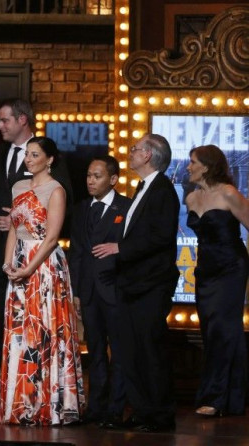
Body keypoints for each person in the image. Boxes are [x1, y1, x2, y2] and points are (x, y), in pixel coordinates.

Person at [0, 99, 73, 416]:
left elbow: (57, 209)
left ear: (22, 120)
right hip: (0, 257)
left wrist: (19, 223)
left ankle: (39, 399)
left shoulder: (52, 159)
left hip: (36, 260)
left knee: (37, 328)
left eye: (4, 120)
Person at [0, 136, 84, 426]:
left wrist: (28, 268)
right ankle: (19, 404)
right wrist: (8, 264)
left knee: (44, 330)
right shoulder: (18, 187)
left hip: (44, 267)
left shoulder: (56, 190)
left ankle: (48, 405)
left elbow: (52, 238)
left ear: (50, 159)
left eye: (34, 155)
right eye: (27, 155)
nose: (28, 159)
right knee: (20, 332)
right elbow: (13, 230)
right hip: (19, 264)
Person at [93, 133, 179, 433]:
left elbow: (161, 236)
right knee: (131, 351)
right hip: (133, 283)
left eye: (135, 149)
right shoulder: (144, 187)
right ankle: (143, 411)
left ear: (149, 156)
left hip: (151, 284)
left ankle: (160, 414)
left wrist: (121, 249)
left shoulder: (163, 190)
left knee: (149, 349)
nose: (130, 153)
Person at [184, 144, 249, 417]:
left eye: (193, 162)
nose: (188, 167)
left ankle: (216, 397)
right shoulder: (191, 198)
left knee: (224, 329)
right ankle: (232, 397)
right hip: (205, 269)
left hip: (231, 267)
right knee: (212, 330)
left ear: (207, 167)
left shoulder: (229, 194)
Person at [68, 155, 130, 427]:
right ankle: (96, 407)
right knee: (93, 351)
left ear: (113, 179)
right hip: (89, 292)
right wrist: (78, 292)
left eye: (97, 176)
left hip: (115, 290)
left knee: (118, 351)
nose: (91, 181)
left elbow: (131, 249)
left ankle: (116, 408)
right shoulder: (82, 209)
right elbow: (78, 252)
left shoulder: (126, 207)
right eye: (89, 176)